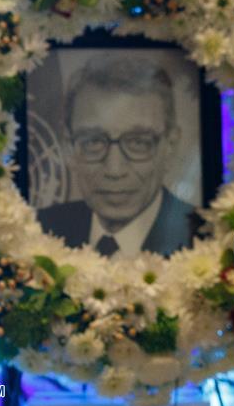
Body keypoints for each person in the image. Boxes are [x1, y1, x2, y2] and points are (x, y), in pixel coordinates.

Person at [38, 57, 201, 257]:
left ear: (170, 145)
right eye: (93, 142)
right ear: (69, 146)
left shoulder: (206, 236)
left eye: (138, 143)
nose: (114, 170)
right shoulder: (39, 231)